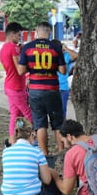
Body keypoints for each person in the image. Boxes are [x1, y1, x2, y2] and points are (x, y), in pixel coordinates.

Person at [18, 22, 67, 156]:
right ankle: (61, 151)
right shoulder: (55, 47)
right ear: (49, 32)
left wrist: (32, 68)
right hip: (52, 89)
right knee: (57, 123)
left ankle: (45, 154)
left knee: (40, 124)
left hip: (35, 90)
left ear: (36, 32)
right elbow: (63, 70)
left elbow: (21, 71)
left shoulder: (27, 48)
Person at [0, 117, 61, 195]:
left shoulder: (6, 151)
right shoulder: (36, 152)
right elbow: (47, 180)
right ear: (32, 134)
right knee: (53, 186)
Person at [0, 22, 33, 146]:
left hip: (10, 85)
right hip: (16, 87)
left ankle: (12, 140)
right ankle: (32, 138)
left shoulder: (4, 47)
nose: (19, 38)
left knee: (16, 115)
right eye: (19, 35)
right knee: (28, 114)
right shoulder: (13, 47)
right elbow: (20, 69)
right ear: (12, 34)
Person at [55, 40, 78, 118]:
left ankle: (62, 128)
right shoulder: (49, 56)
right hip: (52, 88)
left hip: (63, 88)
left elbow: (76, 56)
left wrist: (66, 49)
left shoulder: (65, 55)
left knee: (62, 111)